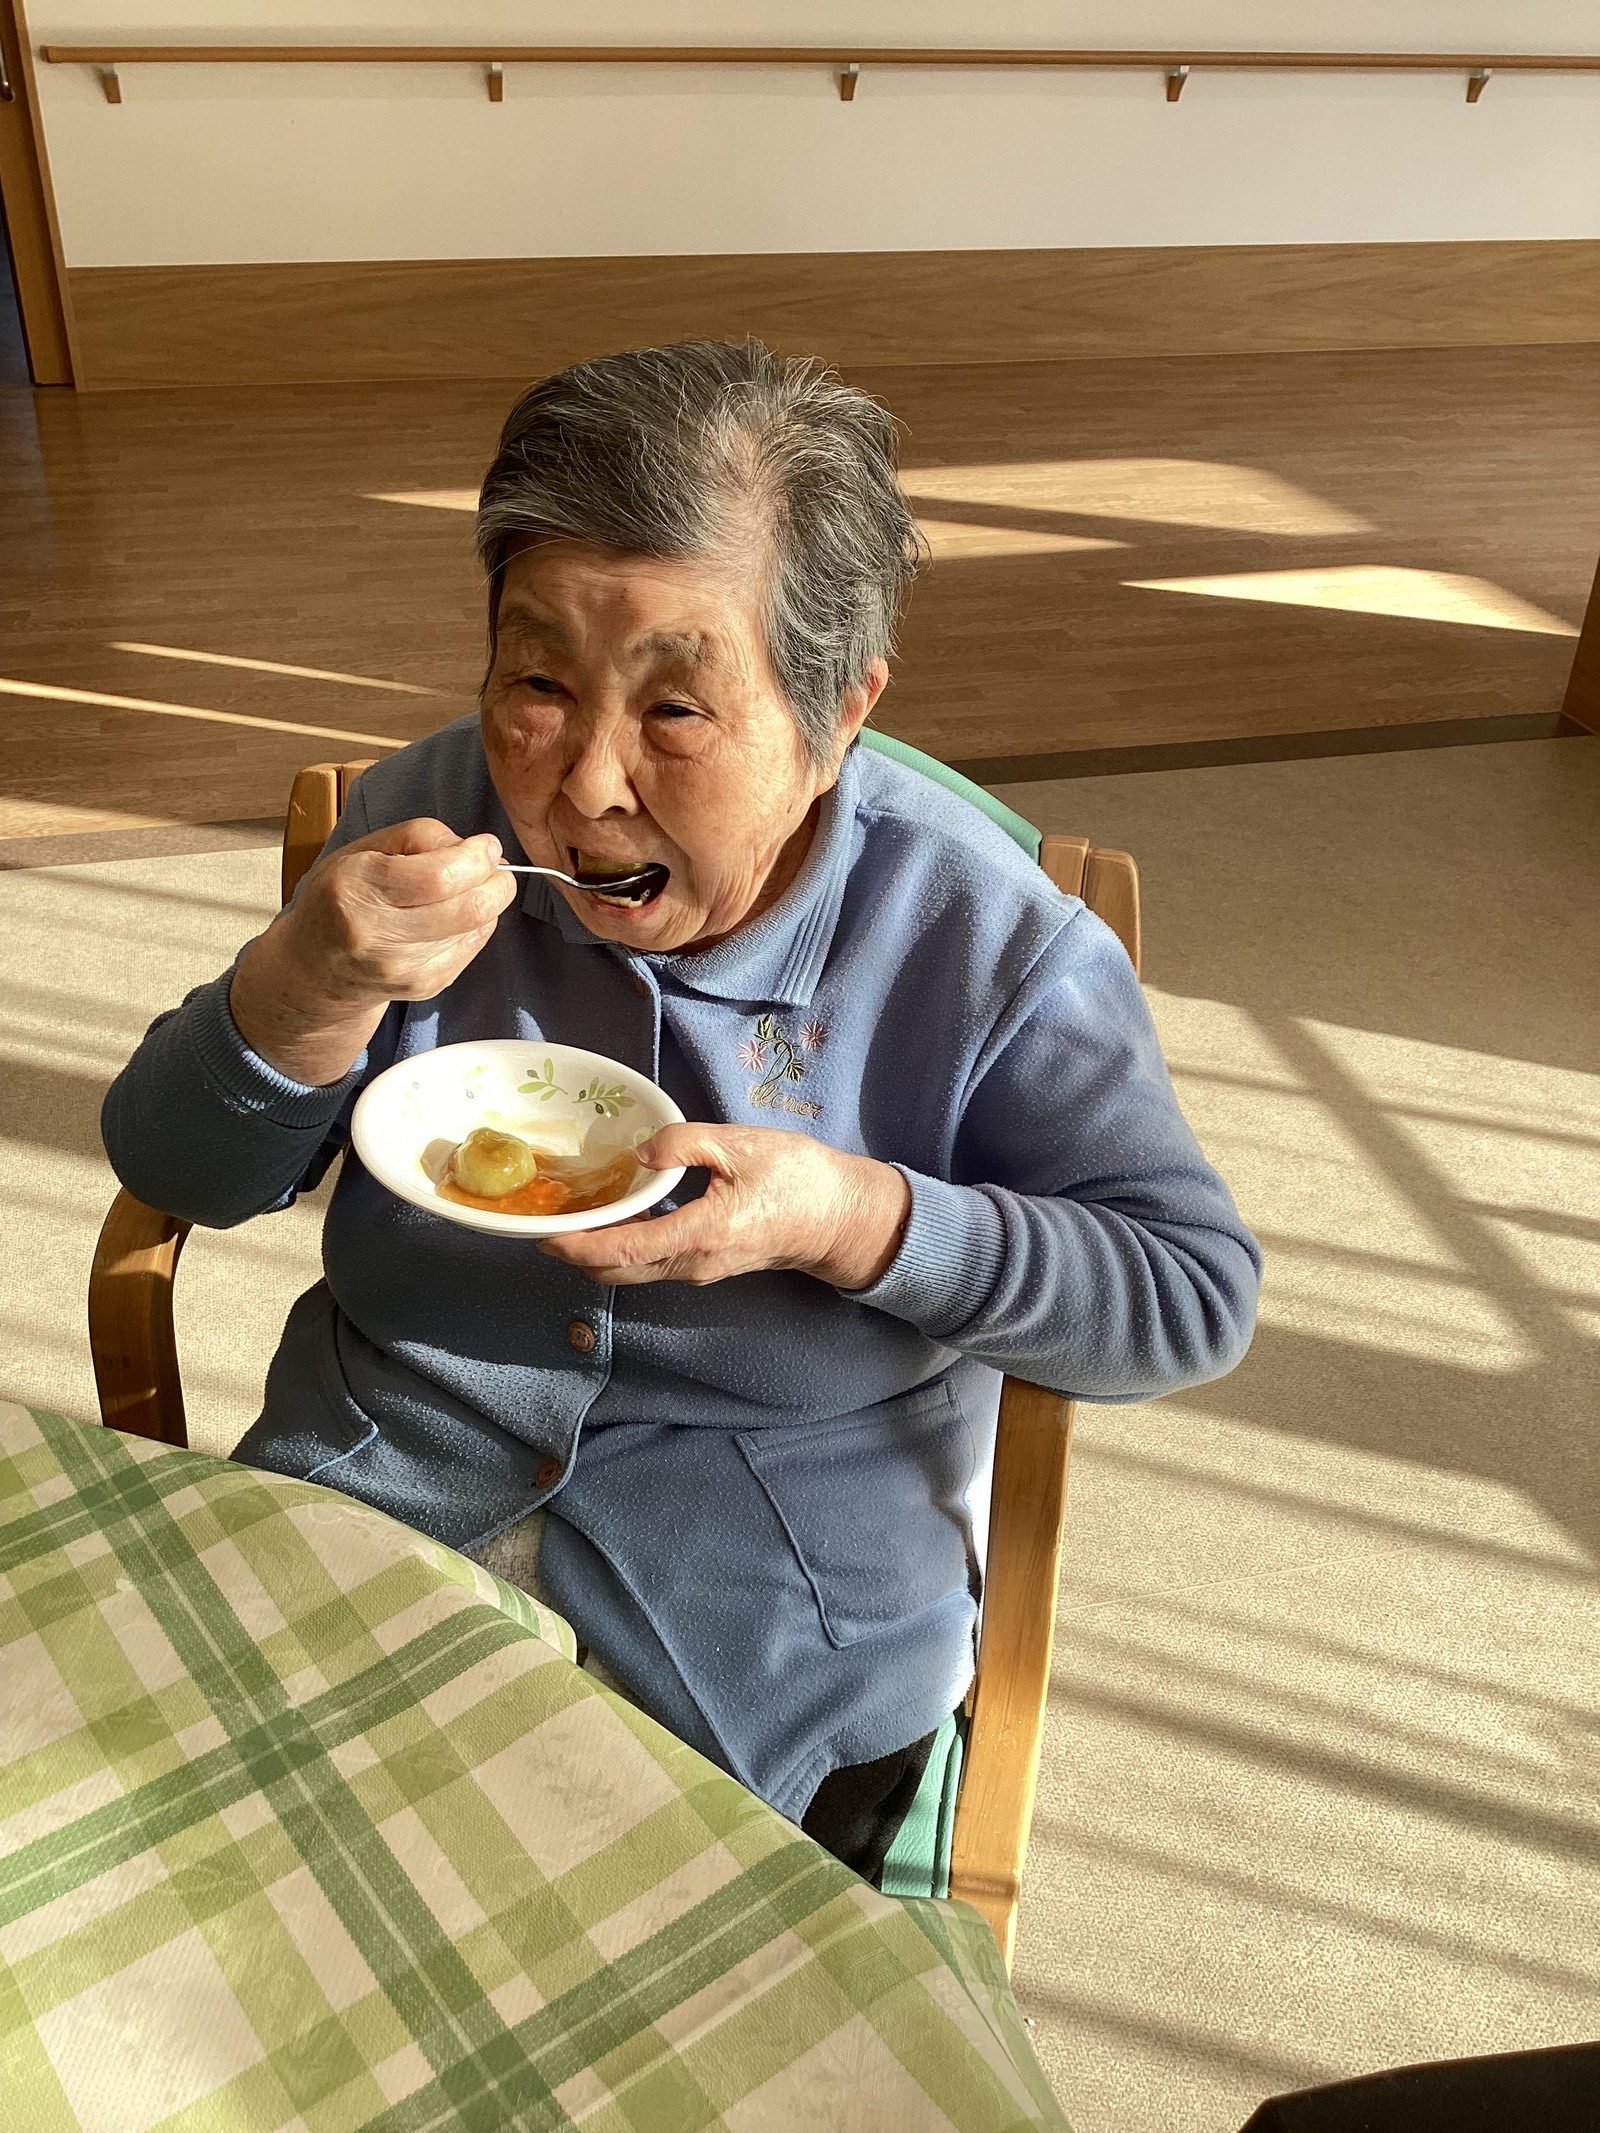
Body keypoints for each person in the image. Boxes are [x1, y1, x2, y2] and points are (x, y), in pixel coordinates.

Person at [103, 339, 1261, 1879]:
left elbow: (1186, 1298)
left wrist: (855, 1219)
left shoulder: (986, 940)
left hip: (769, 1640)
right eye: (538, 683)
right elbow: (174, 1166)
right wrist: (307, 979)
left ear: (840, 711)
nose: (586, 784)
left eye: (677, 709)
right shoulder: (420, 827)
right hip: (369, 1513)